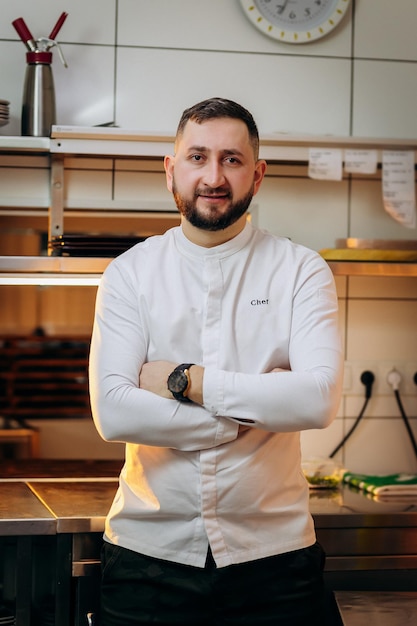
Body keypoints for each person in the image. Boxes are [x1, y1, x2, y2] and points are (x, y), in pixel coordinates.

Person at [89, 97, 343, 625]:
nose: (213, 176)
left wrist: (187, 382)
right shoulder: (129, 274)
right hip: (148, 558)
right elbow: (114, 412)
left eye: (232, 159)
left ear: (257, 173)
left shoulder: (301, 271)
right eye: (197, 157)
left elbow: (317, 400)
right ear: (171, 170)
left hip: (275, 560)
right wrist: (256, 408)